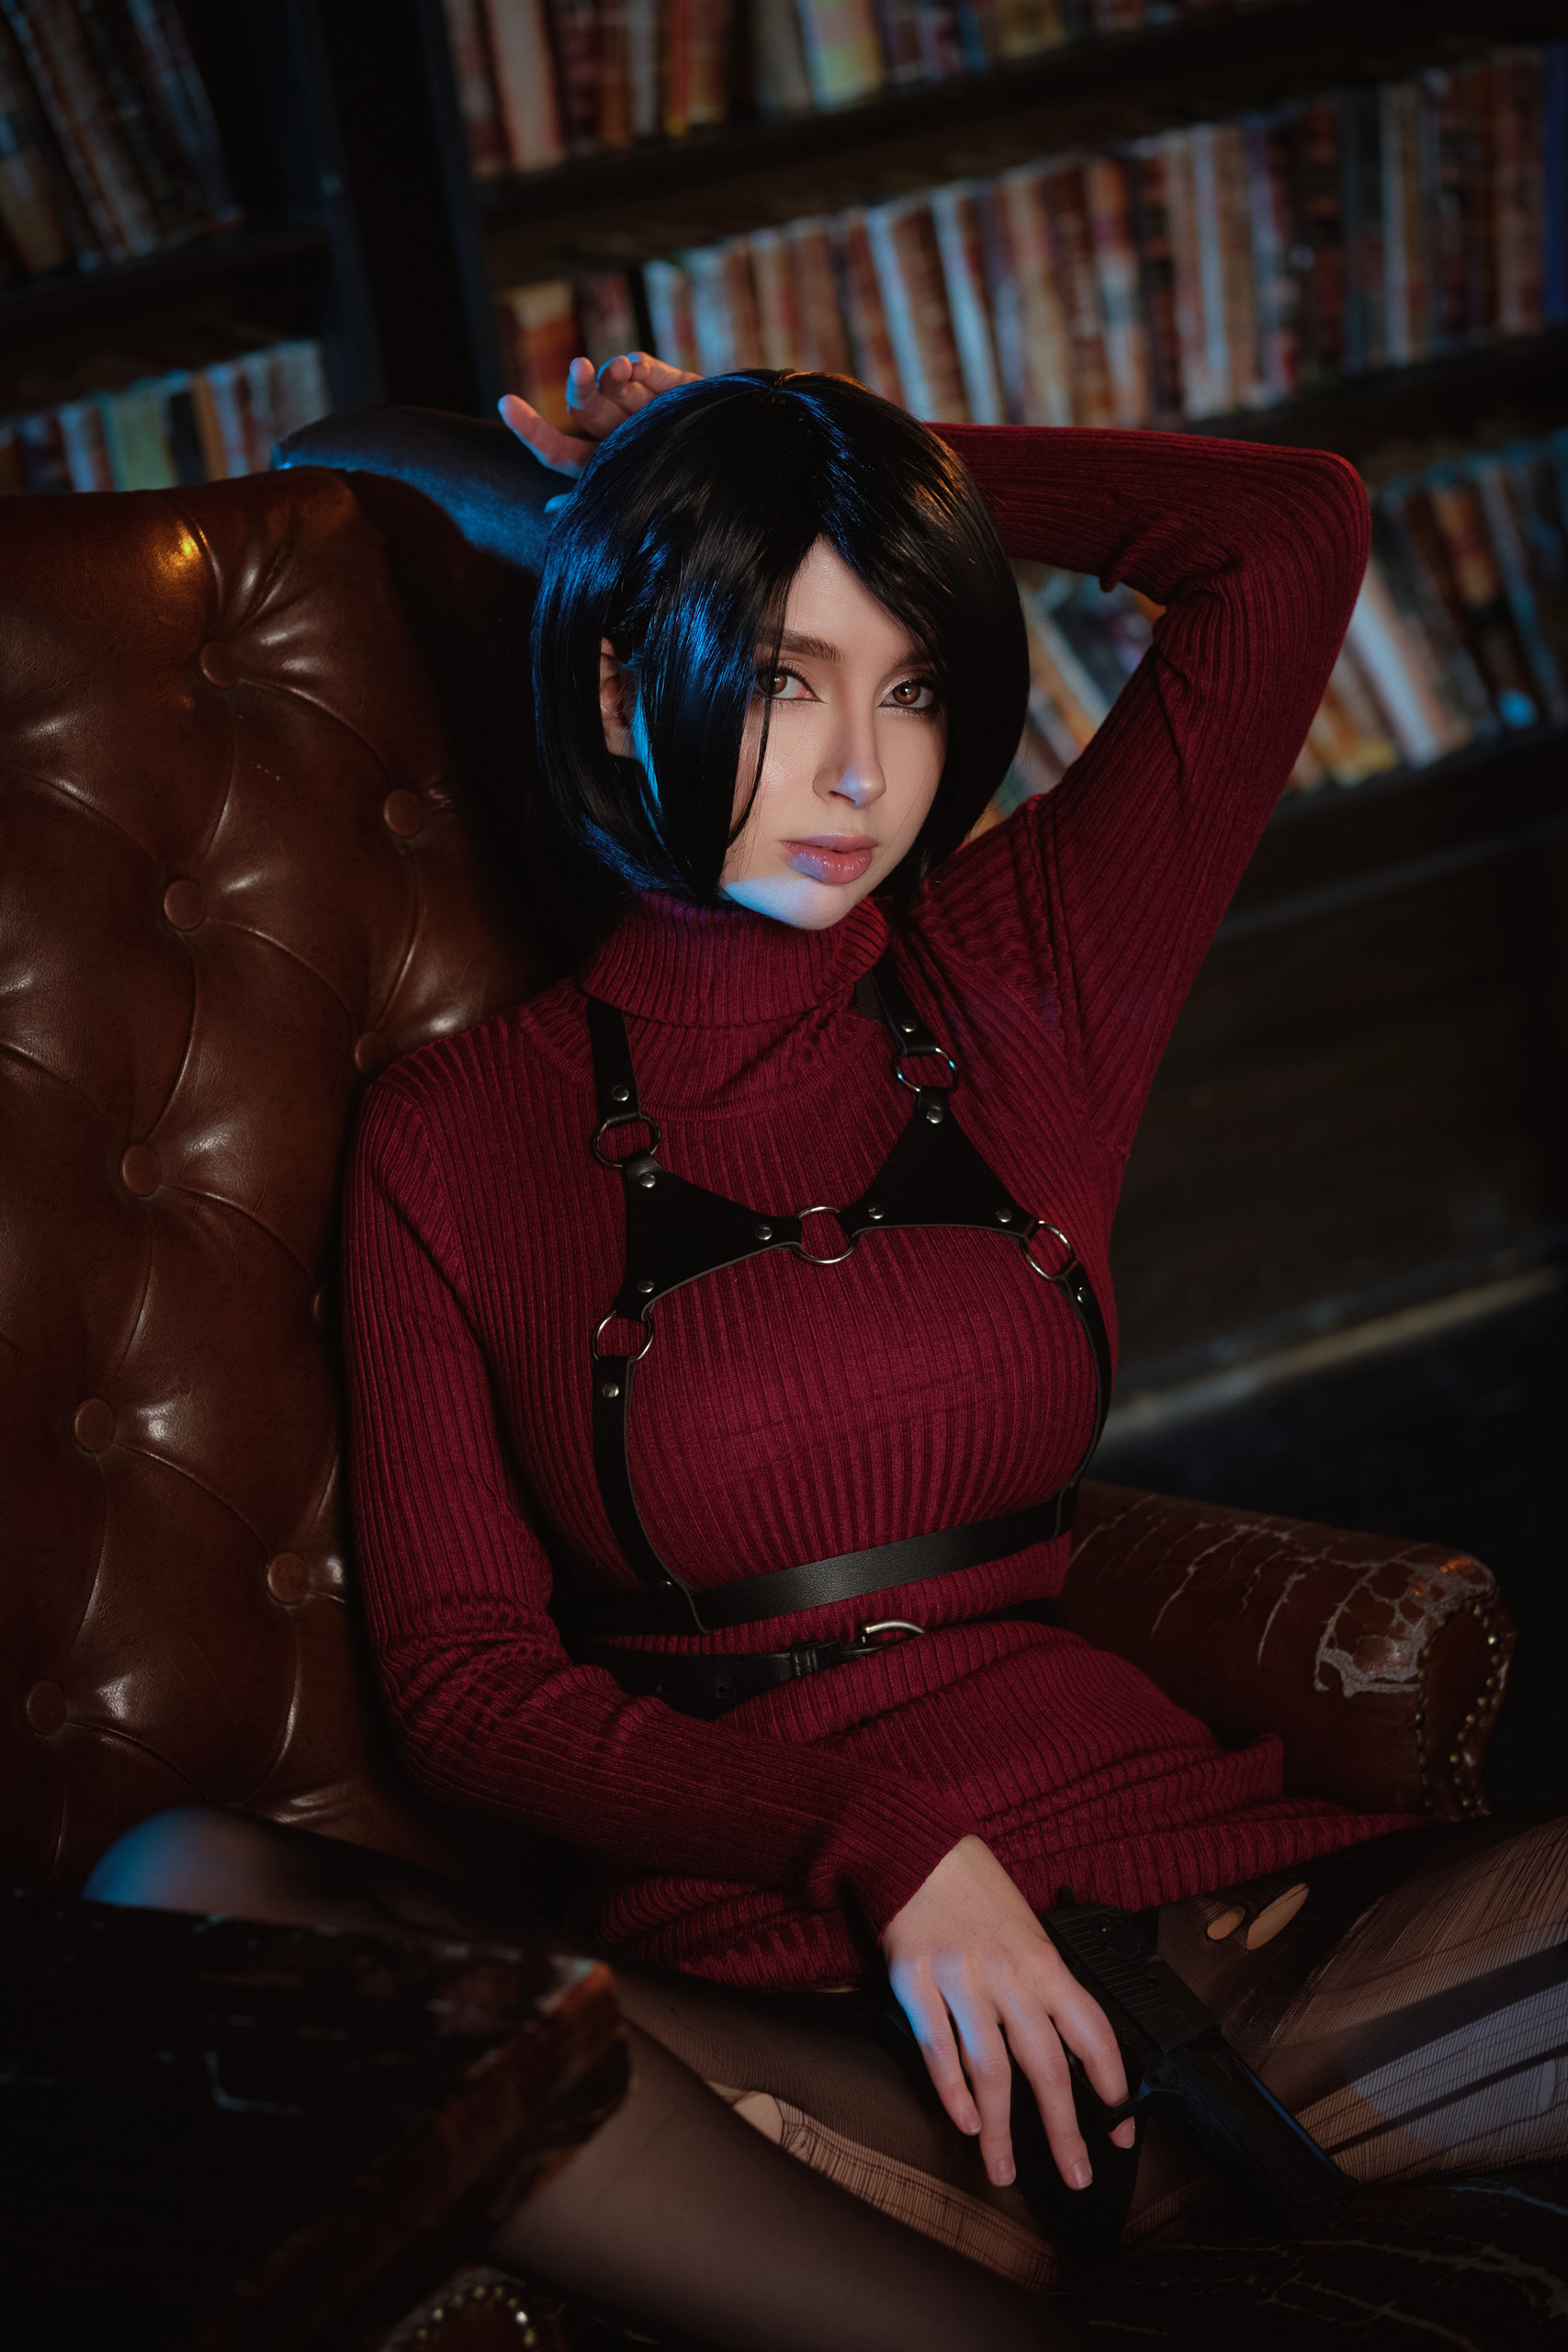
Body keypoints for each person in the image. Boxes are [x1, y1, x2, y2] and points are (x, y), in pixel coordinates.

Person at [93, 360, 1568, 2341]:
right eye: (784, 680)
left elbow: (1284, 532)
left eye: (915, 685)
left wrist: (799, 454)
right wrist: (879, 1849)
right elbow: (464, 1682)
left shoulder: (1019, 977)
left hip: (1261, 1949)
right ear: (620, 681)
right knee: (180, 1881)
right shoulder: (461, 1133)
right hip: (812, 2033)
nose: (864, 775)